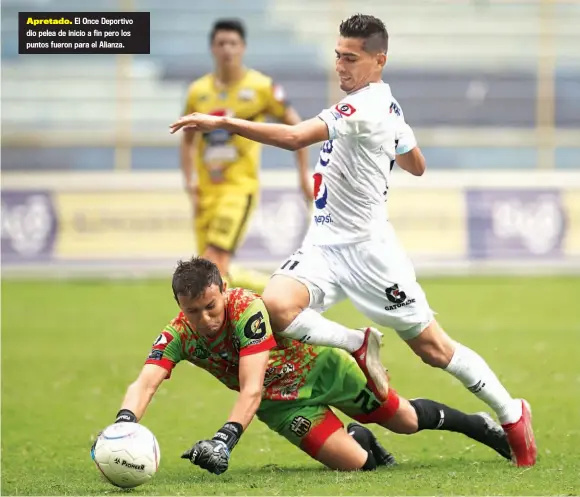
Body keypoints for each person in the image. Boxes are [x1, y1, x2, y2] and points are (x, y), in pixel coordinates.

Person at [168, 15, 536, 467]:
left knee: (433, 349)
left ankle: (511, 414)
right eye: (337, 56)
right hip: (323, 246)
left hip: (370, 254)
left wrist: (218, 121)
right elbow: (417, 164)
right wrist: (393, 141)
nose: (340, 66)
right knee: (278, 307)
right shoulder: (382, 105)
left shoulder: (364, 107)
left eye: (351, 58)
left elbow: (292, 137)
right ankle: (356, 343)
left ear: (379, 61)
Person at [99, 257, 510, 476]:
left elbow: (251, 388)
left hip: (321, 369)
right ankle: (358, 438)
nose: (206, 318)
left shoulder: (247, 310)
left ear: (222, 291)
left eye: (211, 306)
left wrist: (224, 440)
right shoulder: (178, 334)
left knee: (402, 420)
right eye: (193, 311)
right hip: (286, 407)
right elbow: (146, 382)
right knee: (357, 466)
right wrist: (123, 422)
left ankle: (476, 424)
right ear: (179, 308)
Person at [180, 19, 311, 293]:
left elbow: (296, 128)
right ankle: (278, 293)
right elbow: (188, 140)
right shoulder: (198, 92)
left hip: (239, 189)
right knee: (218, 272)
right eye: (221, 43)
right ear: (212, 48)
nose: (227, 49)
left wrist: (303, 177)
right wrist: (189, 180)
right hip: (207, 191)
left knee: (208, 265)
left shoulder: (261, 87)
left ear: (243, 48)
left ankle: (280, 299)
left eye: (233, 43)